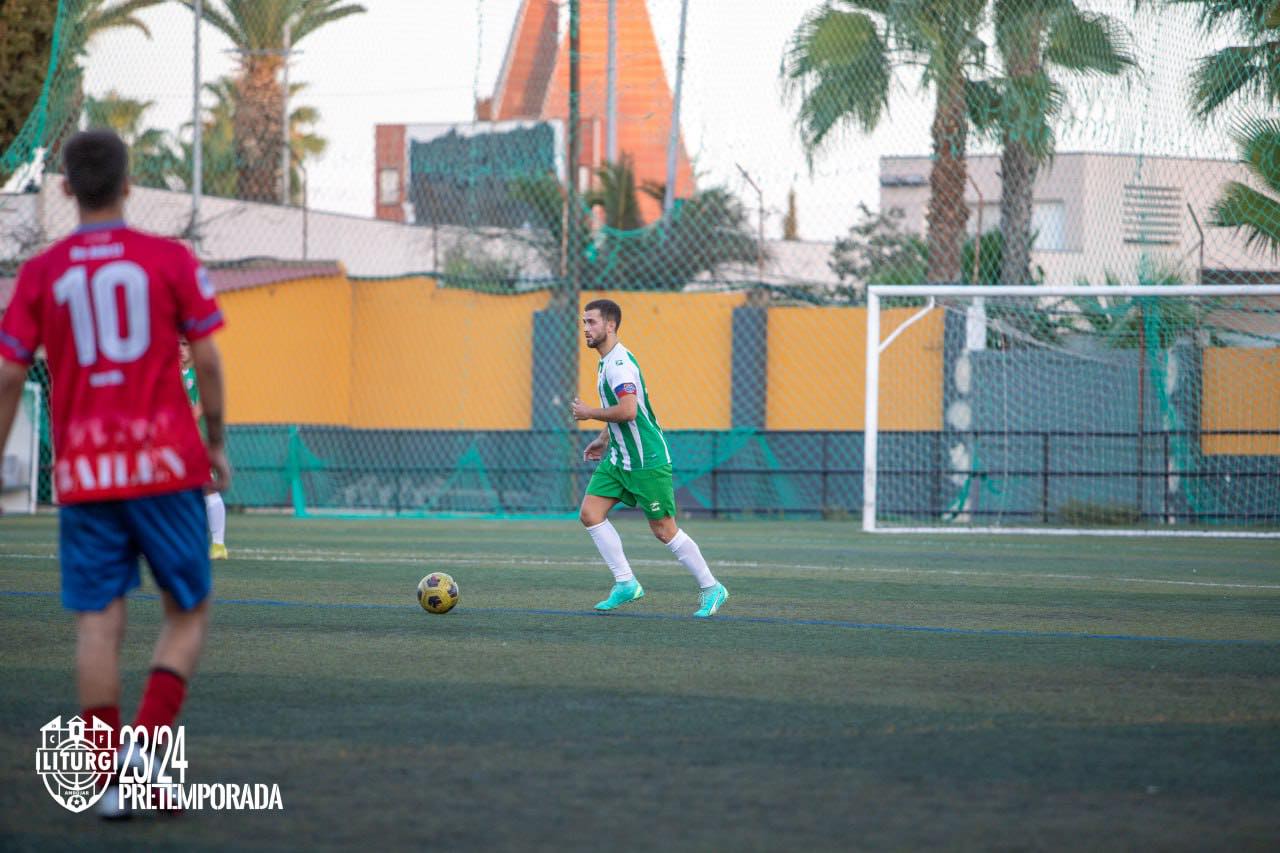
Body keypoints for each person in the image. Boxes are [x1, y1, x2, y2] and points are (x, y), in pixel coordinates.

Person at [0, 130, 230, 818]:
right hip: (165, 463)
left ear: (66, 188)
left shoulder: (41, 274)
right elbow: (211, 361)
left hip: (86, 473)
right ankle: (145, 751)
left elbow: (10, 372)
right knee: (187, 609)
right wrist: (215, 441)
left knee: (99, 623)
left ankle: (106, 781)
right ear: (130, 185)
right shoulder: (169, 259)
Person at [572, 298, 729, 618]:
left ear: (611, 325)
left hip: (647, 461)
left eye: (592, 322)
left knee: (663, 530)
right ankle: (626, 583)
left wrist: (589, 413)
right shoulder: (606, 362)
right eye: (584, 322)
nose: (585, 328)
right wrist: (604, 438)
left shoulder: (618, 365)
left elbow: (629, 411)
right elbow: (629, 409)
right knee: (590, 512)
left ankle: (712, 588)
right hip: (619, 458)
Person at [180, 337, 228, 559]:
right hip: (162, 444)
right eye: (176, 344)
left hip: (190, 443)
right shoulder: (163, 375)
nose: (180, 349)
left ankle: (218, 545)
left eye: (185, 344)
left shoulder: (197, 376)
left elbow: (198, 410)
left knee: (208, 489)